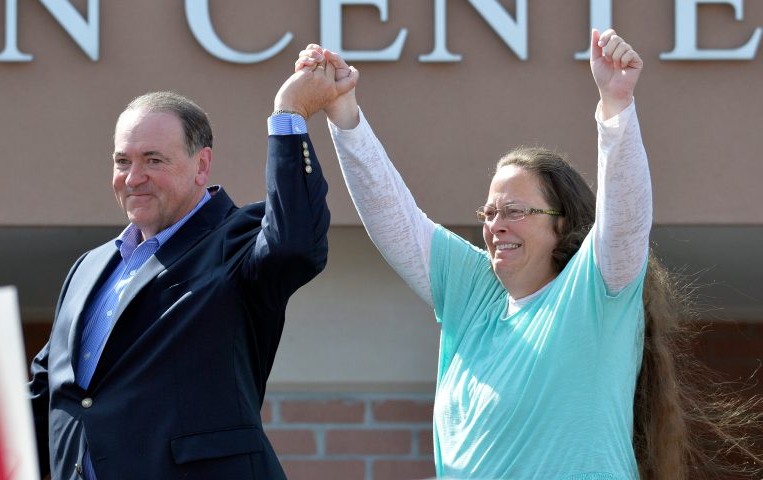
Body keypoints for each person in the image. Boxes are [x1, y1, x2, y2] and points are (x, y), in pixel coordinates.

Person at [297, 30, 763, 479]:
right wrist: (345, 114)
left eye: (516, 211)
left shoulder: (594, 293)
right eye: (490, 211)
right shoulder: (474, 294)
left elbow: (624, 217)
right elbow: (394, 219)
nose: (496, 224)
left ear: (561, 224)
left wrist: (616, 105)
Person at [27, 62, 355, 479]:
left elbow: (296, 245)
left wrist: (288, 113)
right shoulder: (88, 268)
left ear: (202, 166)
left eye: (153, 160)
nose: (133, 177)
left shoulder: (237, 240)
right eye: (122, 160)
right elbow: (46, 394)